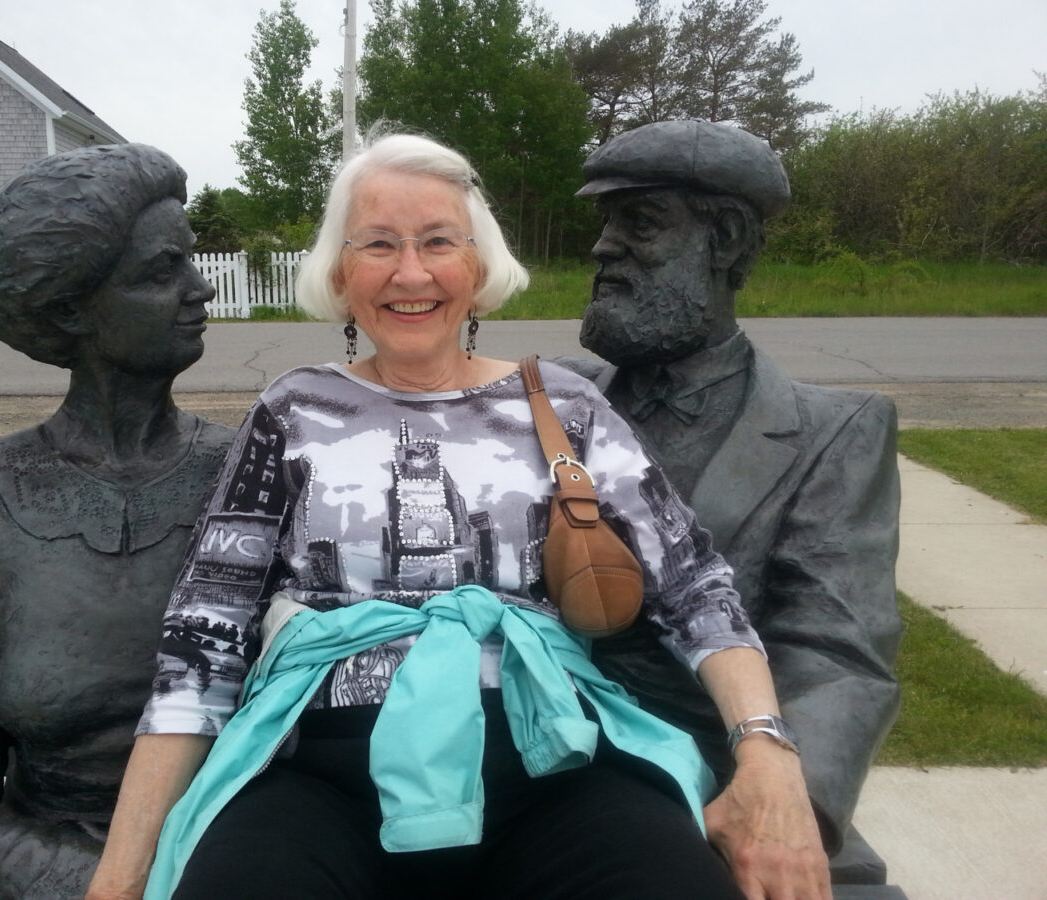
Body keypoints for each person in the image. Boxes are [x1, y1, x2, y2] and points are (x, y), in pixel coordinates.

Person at [88, 133, 830, 900]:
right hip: (322, 772)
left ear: (478, 267)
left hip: (553, 760)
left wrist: (767, 753)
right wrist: (120, 873)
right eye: (378, 244)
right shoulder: (293, 409)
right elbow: (202, 638)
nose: (411, 273)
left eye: (439, 241)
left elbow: (695, 589)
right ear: (341, 275)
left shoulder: (566, 407)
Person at [0, 144, 235, 900]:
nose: (199, 289)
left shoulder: (255, 472)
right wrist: (124, 886)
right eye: (159, 270)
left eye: (191, 260)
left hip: (252, 855)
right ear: (72, 306)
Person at [561, 119, 902, 858]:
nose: (603, 248)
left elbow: (837, 649)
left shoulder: (835, 432)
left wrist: (791, 802)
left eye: (640, 223)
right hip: (524, 746)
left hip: (708, 777)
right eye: (607, 223)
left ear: (725, 241)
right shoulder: (547, 396)